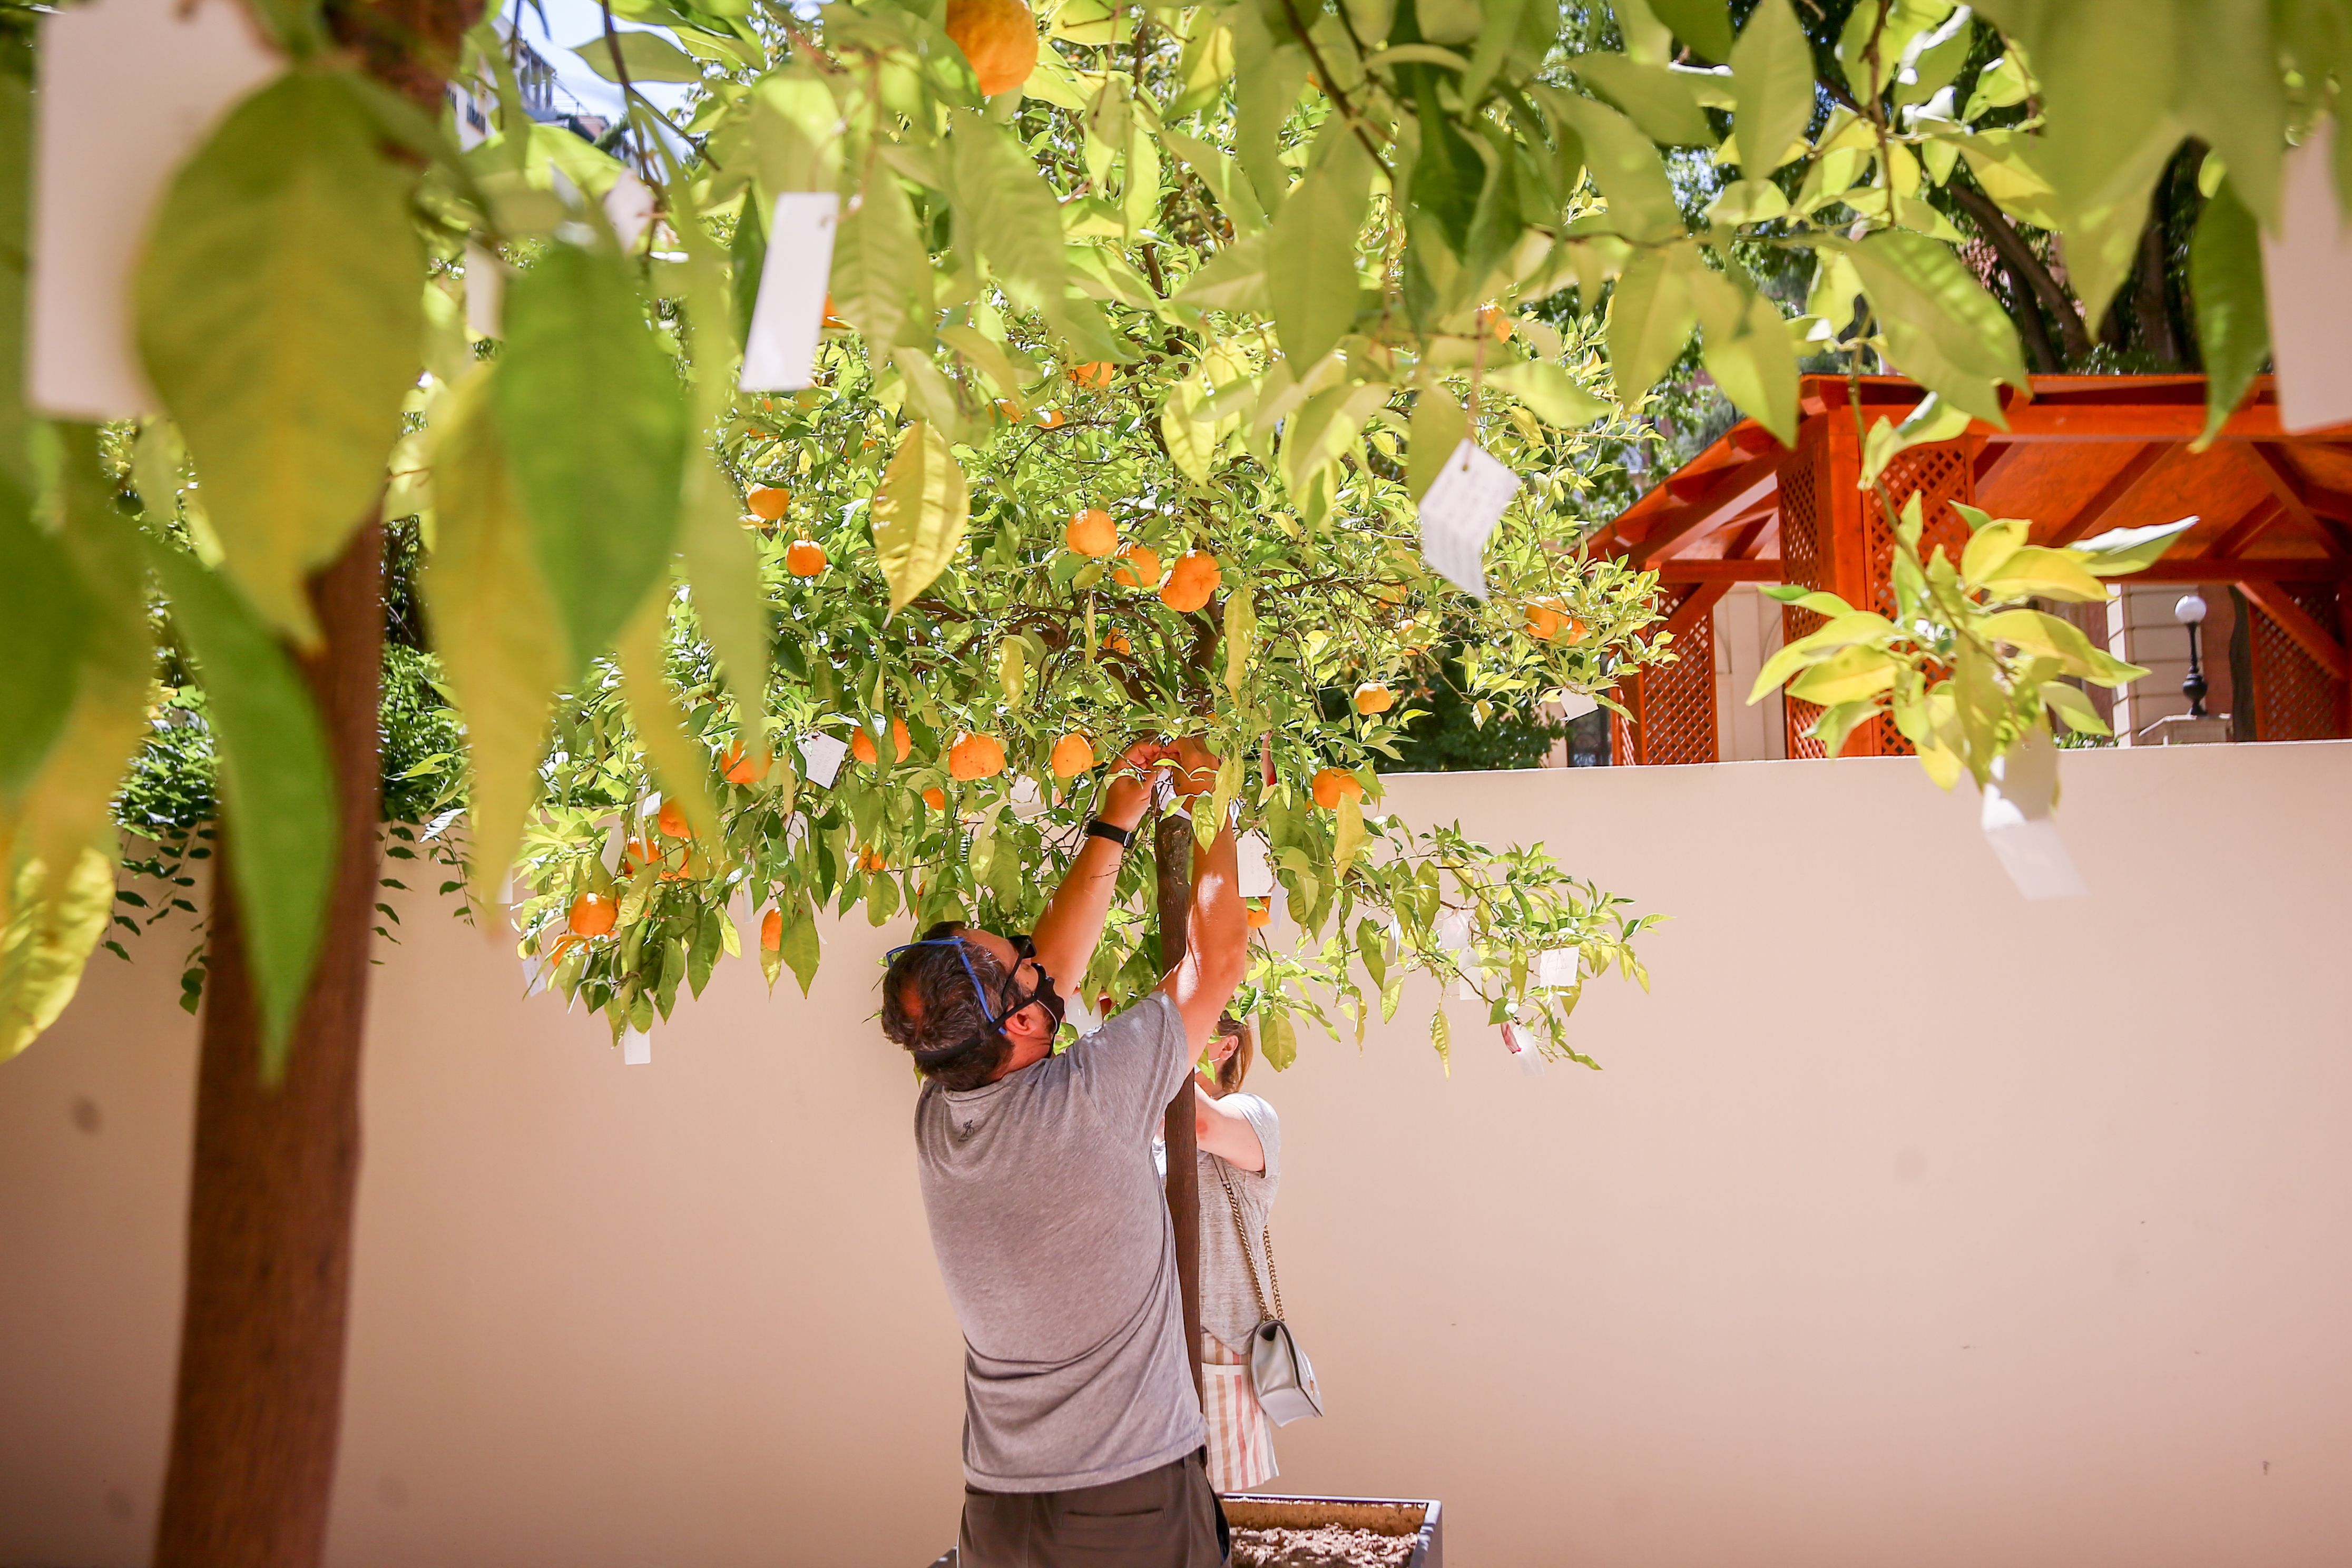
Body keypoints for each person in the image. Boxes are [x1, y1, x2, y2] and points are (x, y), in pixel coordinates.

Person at [880, 739, 1247, 1568]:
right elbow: (1217, 962)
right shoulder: (1087, 1101)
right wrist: (1206, 793)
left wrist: (1119, 816)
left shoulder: (942, 1116)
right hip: (1127, 1507)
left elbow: (1053, 973)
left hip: (1000, 1514)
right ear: (1017, 1023)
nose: (1036, 952)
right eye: (1019, 956)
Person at [1193, 1015, 1282, 1496]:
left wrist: (1160, 1040)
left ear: (1224, 1047)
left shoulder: (1252, 1113)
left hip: (1220, 1340)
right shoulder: (1153, 1127)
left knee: (1221, 1512)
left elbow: (1202, 1123)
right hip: (1153, 1348)